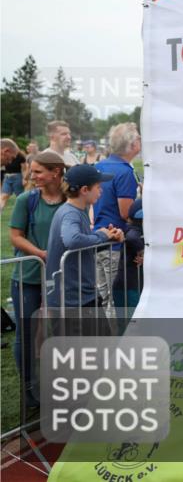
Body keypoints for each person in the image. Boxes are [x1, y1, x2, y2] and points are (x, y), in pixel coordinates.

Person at [8, 149, 67, 405]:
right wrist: (41, 253)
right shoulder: (26, 200)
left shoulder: (71, 199)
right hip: (28, 277)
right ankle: (30, 389)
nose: (33, 176)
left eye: (38, 172)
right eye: (32, 172)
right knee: (26, 333)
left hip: (62, 279)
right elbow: (15, 235)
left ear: (56, 172)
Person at [45, 165, 124, 313]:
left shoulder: (78, 210)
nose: (101, 191)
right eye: (98, 187)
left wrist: (109, 238)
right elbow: (72, 241)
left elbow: (81, 248)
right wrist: (101, 235)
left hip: (80, 295)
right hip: (73, 300)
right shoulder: (71, 213)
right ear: (85, 190)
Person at [93, 123, 141, 319]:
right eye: (138, 138)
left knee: (106, 300)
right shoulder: (124, 172)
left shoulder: (99, 165)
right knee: (117, 302)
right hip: (116, 244)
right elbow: (126, 213)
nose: (141, 141)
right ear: (131, 145)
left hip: (99, 238)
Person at [115, 198, 144, 313]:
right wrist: (143, 252)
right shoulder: (134, 230)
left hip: (126, 285)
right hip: (129, 287)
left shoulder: (131, 228)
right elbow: (132, 238)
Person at [1, 138, 27, 209]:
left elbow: (24, 168)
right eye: (11, 158)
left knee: (20, 197)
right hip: (7, 177)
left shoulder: (21, 156)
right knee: (3, 196)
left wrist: (24, 178)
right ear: (6, 151)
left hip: (17, 177)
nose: (10, 162)